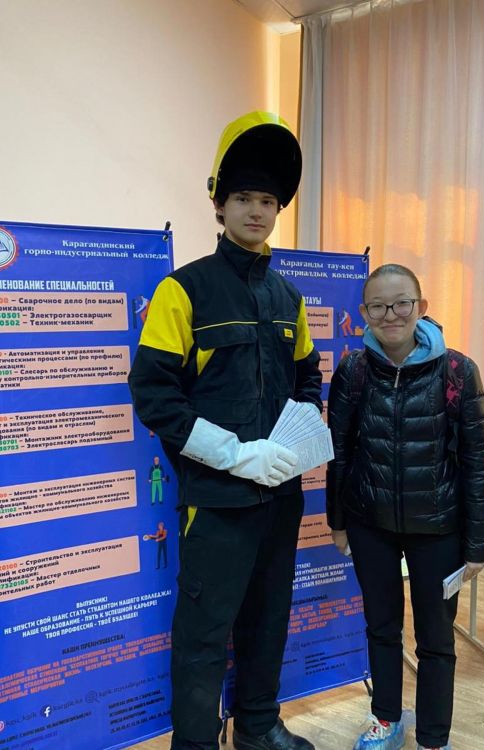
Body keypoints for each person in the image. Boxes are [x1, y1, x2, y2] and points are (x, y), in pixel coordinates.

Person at [128, 111, 322, 750]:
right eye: (243, 198)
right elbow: (153, 394)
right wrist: (236, 455)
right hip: (215, 502)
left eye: (268, 201)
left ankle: (259, 728)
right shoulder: (182, 291)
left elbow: (307, 379)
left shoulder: (289, 298)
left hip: (279, 498)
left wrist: (291, 446)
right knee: (204, 634)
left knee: (268, 621)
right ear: (219, 205)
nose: (257, 211)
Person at [326, 264, 484, 750]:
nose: (391, 315)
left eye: (401, 303)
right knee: (381, 628)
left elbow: (478, 460)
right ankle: (386, 718)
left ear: (421, 307)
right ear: (364, 313)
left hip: (438, 528)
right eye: (378, 306)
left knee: (436, 639)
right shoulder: (353, 371)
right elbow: (339, 453)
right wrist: (338, 521)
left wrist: (479, 543)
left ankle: (433, 739)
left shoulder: (457, 371)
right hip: (370, 523)